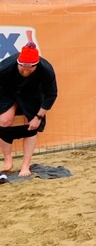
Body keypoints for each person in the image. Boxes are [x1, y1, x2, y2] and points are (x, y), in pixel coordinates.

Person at [0, 43, 57, 177]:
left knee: (30, 124)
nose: (25, 71)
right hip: (8, 91)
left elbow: (51, 94)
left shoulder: (46, 69)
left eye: (29, 69)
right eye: (22, 68)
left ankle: (26, 165)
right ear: (18, 62)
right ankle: (8, 159)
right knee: (4, 121)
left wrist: (38, 117)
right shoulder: (5, 67)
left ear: (36, 65)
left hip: (33, 93)